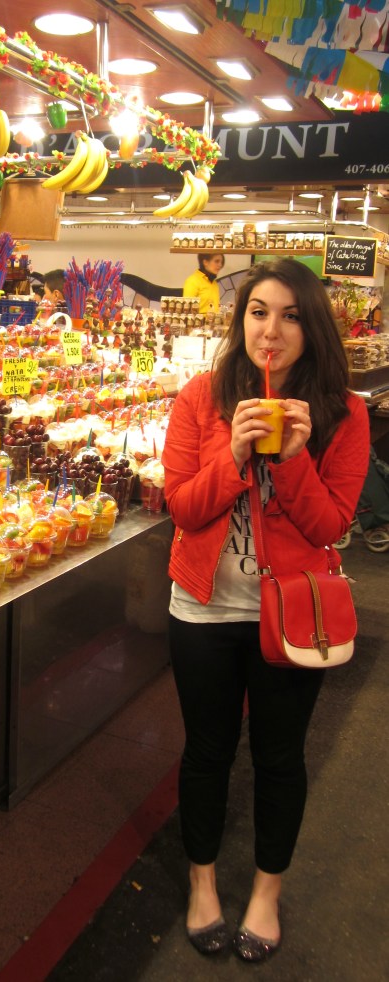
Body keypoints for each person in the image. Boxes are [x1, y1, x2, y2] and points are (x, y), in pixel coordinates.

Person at [161, 259, 369, 963]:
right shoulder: (200, 398)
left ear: (312, 328)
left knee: (280, 757)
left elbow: (331, 526)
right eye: (257, 312)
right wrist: (235, 452)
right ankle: (201, 882)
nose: (270, 330)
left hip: (293, 611)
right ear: (239, 319)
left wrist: (294, 457)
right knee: (208, 750)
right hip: (205, 607)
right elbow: (183, 507)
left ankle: (267, 894)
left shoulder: (344, 413)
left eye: (288, 315)